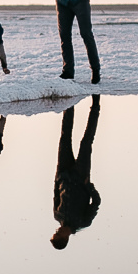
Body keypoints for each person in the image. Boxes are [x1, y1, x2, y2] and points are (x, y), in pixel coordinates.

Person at [51, 96, 101, 250]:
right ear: (65, 238)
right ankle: (96, 105)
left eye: (55, 233)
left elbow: (55, 194)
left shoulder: (57, 216)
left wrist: (58, 178)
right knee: (86, 142)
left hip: (63, 173)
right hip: (81, 176)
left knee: (65, 137)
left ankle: (69, 105)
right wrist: (89, 186)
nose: (57, 231)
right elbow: (96, 202)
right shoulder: (83, 222)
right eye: (58, 235)